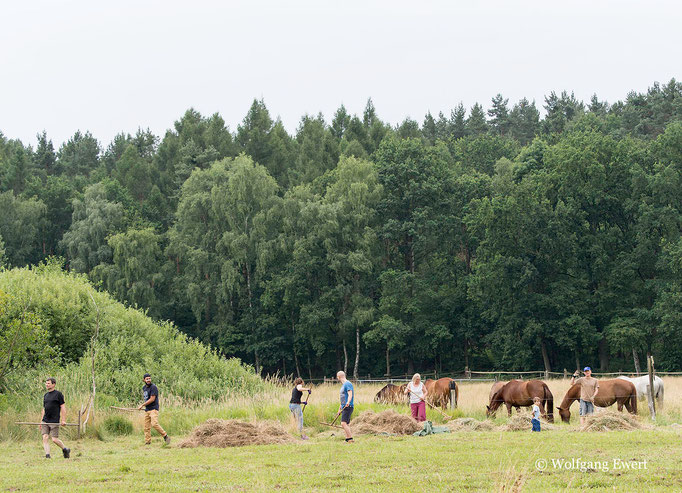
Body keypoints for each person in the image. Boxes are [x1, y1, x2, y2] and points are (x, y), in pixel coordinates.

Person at [40, 377, 70, 459]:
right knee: (45, 437)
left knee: (54, 439)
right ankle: (47, 455)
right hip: (45, 420)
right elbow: (44, 409)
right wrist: (41, 421)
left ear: (53, 384)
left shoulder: (58, 394)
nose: (46, 385)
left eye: (48, 383)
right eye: (46, 383)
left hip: (54, 420)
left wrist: (63, 420)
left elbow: (63, 407)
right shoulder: (45, 395)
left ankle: (65, 449)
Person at [137, 373, 170, 445]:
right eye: (147, 379)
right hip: (147, 409)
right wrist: (144, 406)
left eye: (149, 378)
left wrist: (142, 405)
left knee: (154, 424)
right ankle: (148, 442)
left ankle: (165, 436)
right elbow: (146, 398)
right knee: (146, 427)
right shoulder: (144, 388)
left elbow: (152, 399)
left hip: (153, 409)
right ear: (144, 380)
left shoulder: (153, 387)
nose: (148, 380)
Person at [337, 371, 354, 443]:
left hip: (348, 406)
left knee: (343, 423)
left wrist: (348, 402)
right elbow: (343, 398)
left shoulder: (347, 384)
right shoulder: (343, 385)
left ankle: (350, 439)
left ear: (338, 377)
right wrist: (339, 409)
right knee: (346, 424)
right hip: (344, 406)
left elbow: (350, 394)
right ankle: (347, 439)